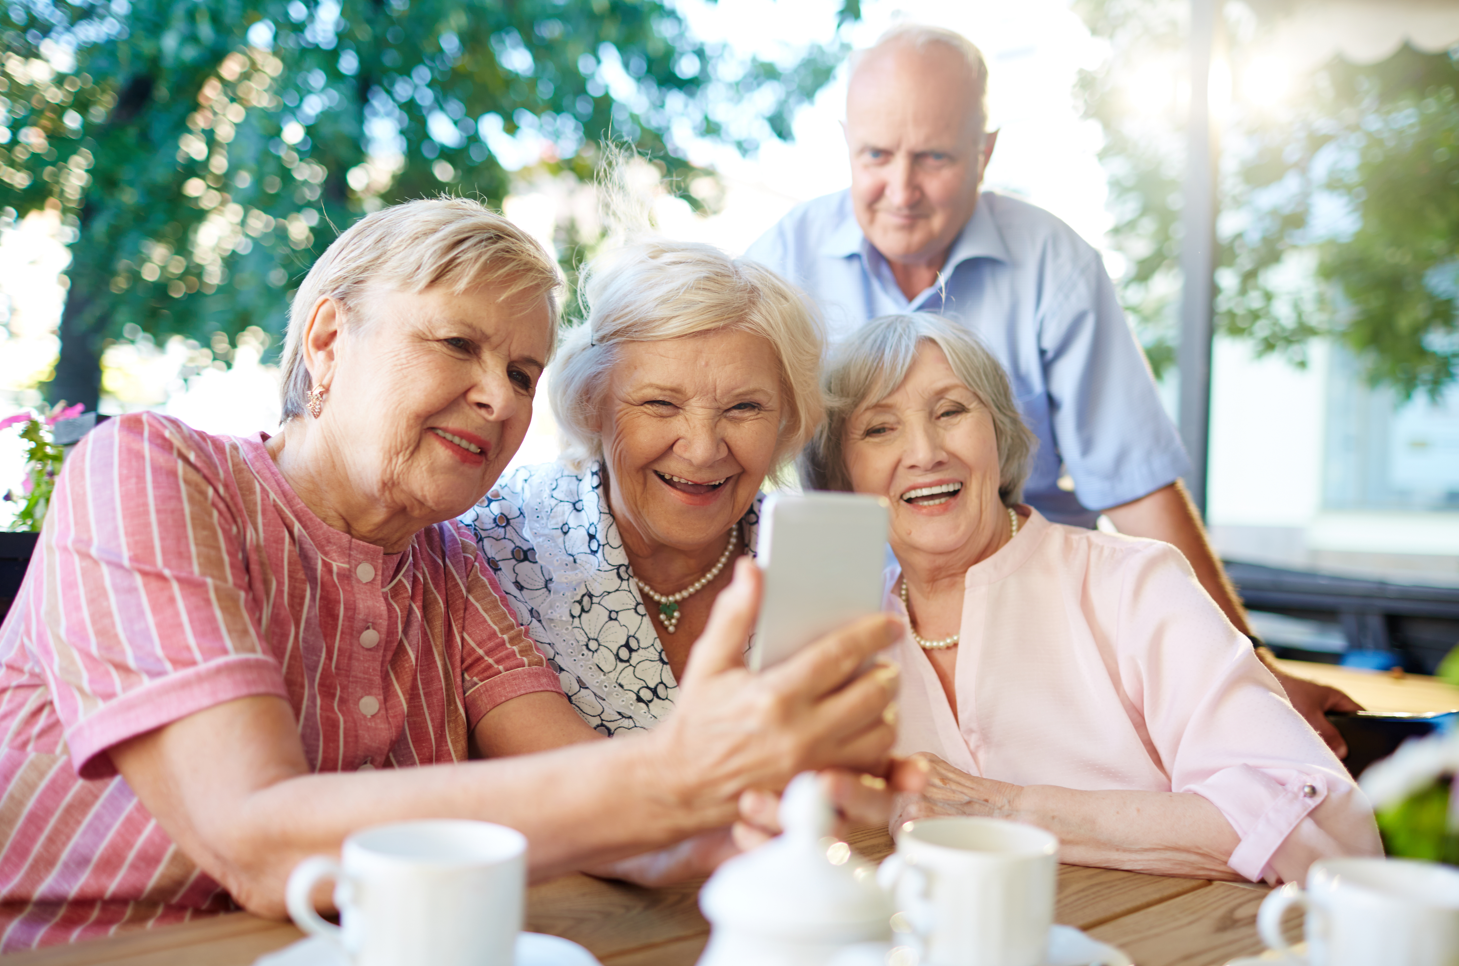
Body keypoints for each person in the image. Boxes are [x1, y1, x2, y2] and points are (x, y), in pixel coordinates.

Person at [0, 199, 907, 951]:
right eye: (457, 345)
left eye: (521, 371)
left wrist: (747, 827)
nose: (501, 397)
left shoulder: (449, 563)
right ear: (325, 341)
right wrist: (668, 778)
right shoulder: (150, 472)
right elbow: (252, 835)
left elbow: (592, 790)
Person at [742, 23, 1360, 751]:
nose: (900, 190)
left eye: (933, 157)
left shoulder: (1054, 266)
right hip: (854, 629)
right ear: (847, 143)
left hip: (1036, 633)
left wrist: (1251, 671)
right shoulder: (779, 262)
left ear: (984, 152)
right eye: (875, 156)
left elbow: (1137, 489)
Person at [802, 312, 1380, 883]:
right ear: (839, 473)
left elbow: (1325, 827)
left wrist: (1009, 809)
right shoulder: (838, 635)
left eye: (951, 411)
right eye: (879, 428)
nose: (925, 452)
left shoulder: (1133, 585)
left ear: (999, 435)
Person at [461, 238, 823, 734]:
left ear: (786, 418)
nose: (702, 449)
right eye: (660, 404)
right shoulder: (490, 542)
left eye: (744, 408)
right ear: (593, 403)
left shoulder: (817, 562)